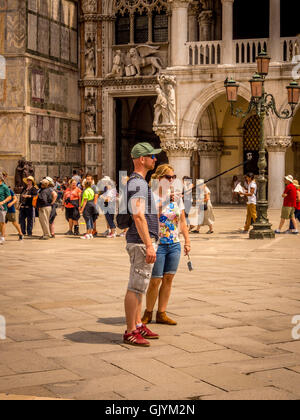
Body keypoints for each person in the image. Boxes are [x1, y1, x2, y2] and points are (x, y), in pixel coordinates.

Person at [142, 164, 191, 326]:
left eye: (173, 177)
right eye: (168, 177)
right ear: (159, 178)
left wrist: (187, 241)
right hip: (158, 244)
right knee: (155, 280)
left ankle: (161, 313)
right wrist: (164, 202)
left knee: (168, 278)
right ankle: (148, 312)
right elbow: (149, 217)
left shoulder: (176, 197)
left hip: (174, 243)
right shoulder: (151, 196)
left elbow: (182, 221)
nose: (171, 180)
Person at [124, 142, 161, 347]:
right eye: (152, 156)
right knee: (134, 287)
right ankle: (130, 331)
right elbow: (138, 216)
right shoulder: (138, 184)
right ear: (141, 159)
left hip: (141, 241)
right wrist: (148, 244)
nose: (155, 159)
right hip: (140, 242)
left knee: (140, 287)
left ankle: (138, 324)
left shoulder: (139, 183)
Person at [0, 173, 12, 245]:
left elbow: (9, 197)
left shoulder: (4, 187)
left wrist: (3, 202)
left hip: (2, 207)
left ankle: (2, 237)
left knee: (2, 222)